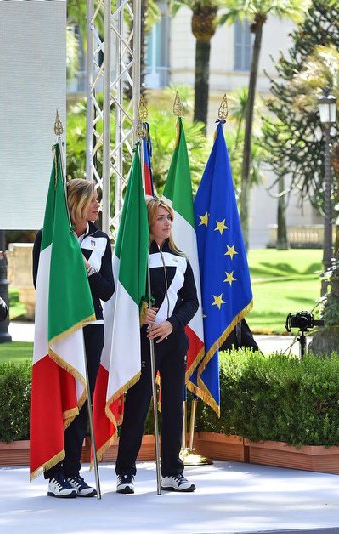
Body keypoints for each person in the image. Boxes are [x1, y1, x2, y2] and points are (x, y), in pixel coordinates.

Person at [31, 178, 114, 498]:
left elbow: (107, 290)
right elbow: (43, 287)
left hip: (92, 328)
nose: (98, 206)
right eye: (93, 200)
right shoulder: (49, 238)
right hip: (61, 331)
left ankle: (72, 472)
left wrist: (87, 271)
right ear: (76, 203)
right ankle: (54, 474)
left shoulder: (102, 240)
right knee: (60, 397)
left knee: (82, 400)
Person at [115, 197, 199, 495]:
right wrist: (141, 313)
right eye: (161, 217)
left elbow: (192, 301)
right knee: (137, 406)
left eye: (169, 217)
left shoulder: (181, 258)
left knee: (174, 406)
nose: (167, 222)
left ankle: (172, 472)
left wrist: (172, 324)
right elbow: (123, 297)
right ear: (149, 221)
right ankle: (125, 472)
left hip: (173, 340)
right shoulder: (135, 259)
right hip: (144, 339)